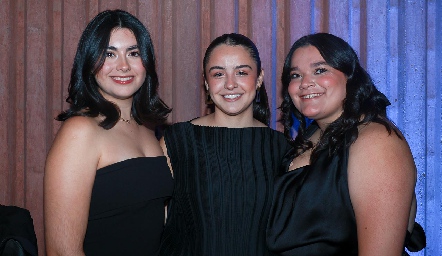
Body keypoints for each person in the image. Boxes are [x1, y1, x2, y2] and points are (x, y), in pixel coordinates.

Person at [266, 32, 424, 255]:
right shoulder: (309, 138)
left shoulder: (376, 142)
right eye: (295, 75)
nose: (305, 83)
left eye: (320, 70)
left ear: (350, 77)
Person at [44, 9, 173, 255]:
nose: (123, 66)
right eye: (109, 54)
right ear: (90, 61)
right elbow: (62, 251)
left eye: (133, 53)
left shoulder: (148, 131)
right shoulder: (80, 131)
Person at [158, 33, 291, 255]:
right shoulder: (177, 141)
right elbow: (157, 226)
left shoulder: (282, 148)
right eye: (218, 74)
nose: (230, 84)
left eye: (241, 72)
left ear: (259, 78)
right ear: (206, 82)